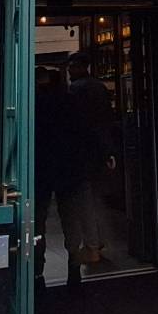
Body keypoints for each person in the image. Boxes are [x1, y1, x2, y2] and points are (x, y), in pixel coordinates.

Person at [33, 65, 85, 287]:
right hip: (68, 168)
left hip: (40, 168)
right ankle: (75, 267)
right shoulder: (70, 101)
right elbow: (83, 132)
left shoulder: (33, 103)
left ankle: (36, 273)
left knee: (36, 223)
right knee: (72, 220)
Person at [64, 53, 116, 266]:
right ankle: (99, 243)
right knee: (96, 200)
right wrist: (108, 151)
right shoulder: (100, 87)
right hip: (99, 152)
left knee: (84, 202)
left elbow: (77, 124)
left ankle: (92, 247)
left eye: (71, 66)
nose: (68, 70)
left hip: (81, 154)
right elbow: (105, 121)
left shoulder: (75, 90)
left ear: (79, 67)